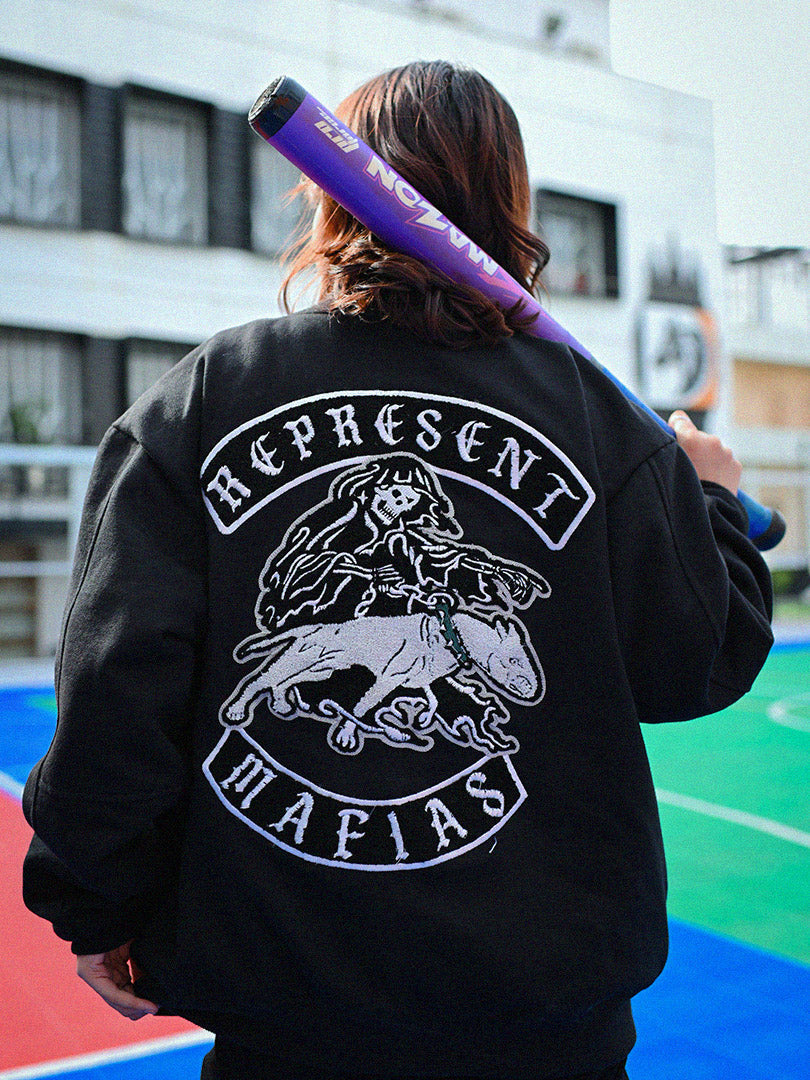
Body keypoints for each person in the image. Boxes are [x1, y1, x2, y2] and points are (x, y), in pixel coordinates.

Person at [22, 61, 773, 1080]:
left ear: (329, 201)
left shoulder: (204, 398)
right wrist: (711, 500)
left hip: (287, 1012)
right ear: (509, 204)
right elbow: (699, 660)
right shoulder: (598, 423)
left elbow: (117, 687)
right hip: (546, 1022)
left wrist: (97, 902)